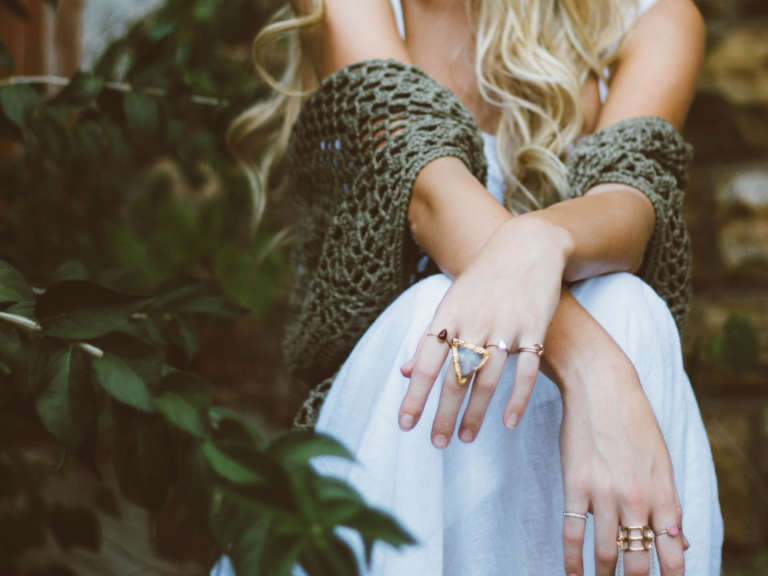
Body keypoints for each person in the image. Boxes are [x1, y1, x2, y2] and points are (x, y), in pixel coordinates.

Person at [215, 0, 724, 574]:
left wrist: (539, 240)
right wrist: (594, 368)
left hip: (552, 446)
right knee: (437, 305)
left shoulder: (653, 17)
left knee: (628, 305)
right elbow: (427, 195)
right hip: (407, 421)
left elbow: (630, 207)